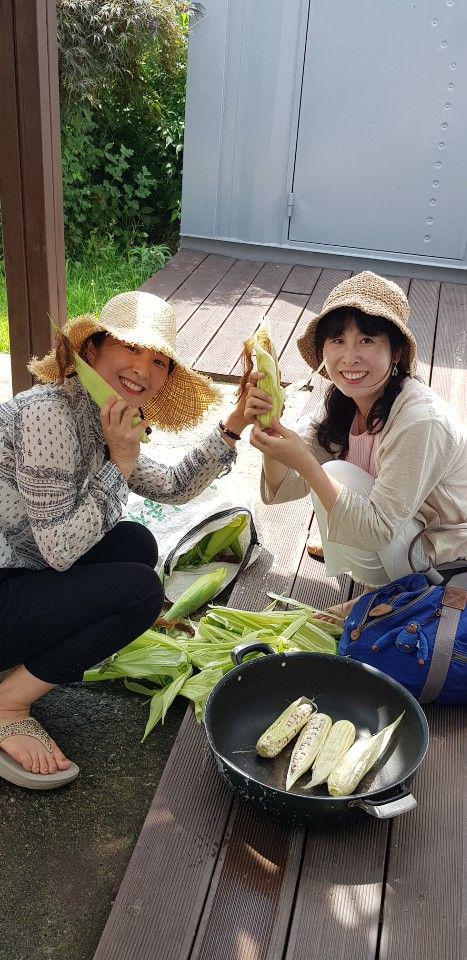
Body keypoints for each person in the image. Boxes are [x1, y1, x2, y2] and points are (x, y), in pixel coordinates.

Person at [0, 290, 250, 790]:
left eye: (158, 360)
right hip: (13, 575)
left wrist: (235, 422)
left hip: (21, 575)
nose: (145, 368)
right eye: (131, 349)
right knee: (140, 593)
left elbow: (174, 485)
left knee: (136, 544)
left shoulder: (104, 412)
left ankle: (21, 663)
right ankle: (10, 703)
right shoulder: (48, 413)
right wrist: (120, 461)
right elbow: (60, 549)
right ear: (91, 351)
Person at [245, 271, 467, 619]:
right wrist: (270, 436)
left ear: (395, 353)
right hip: (399, 534)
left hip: (445, 557)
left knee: (333, 475)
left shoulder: (421, 421)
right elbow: (286, 488)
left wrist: (305, 461)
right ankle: (375, 583)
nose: (349, 357)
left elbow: (376, 530)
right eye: (337, 341)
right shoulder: (342, 401)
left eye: (367, 340)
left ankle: (383, 593)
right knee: (328, 476)